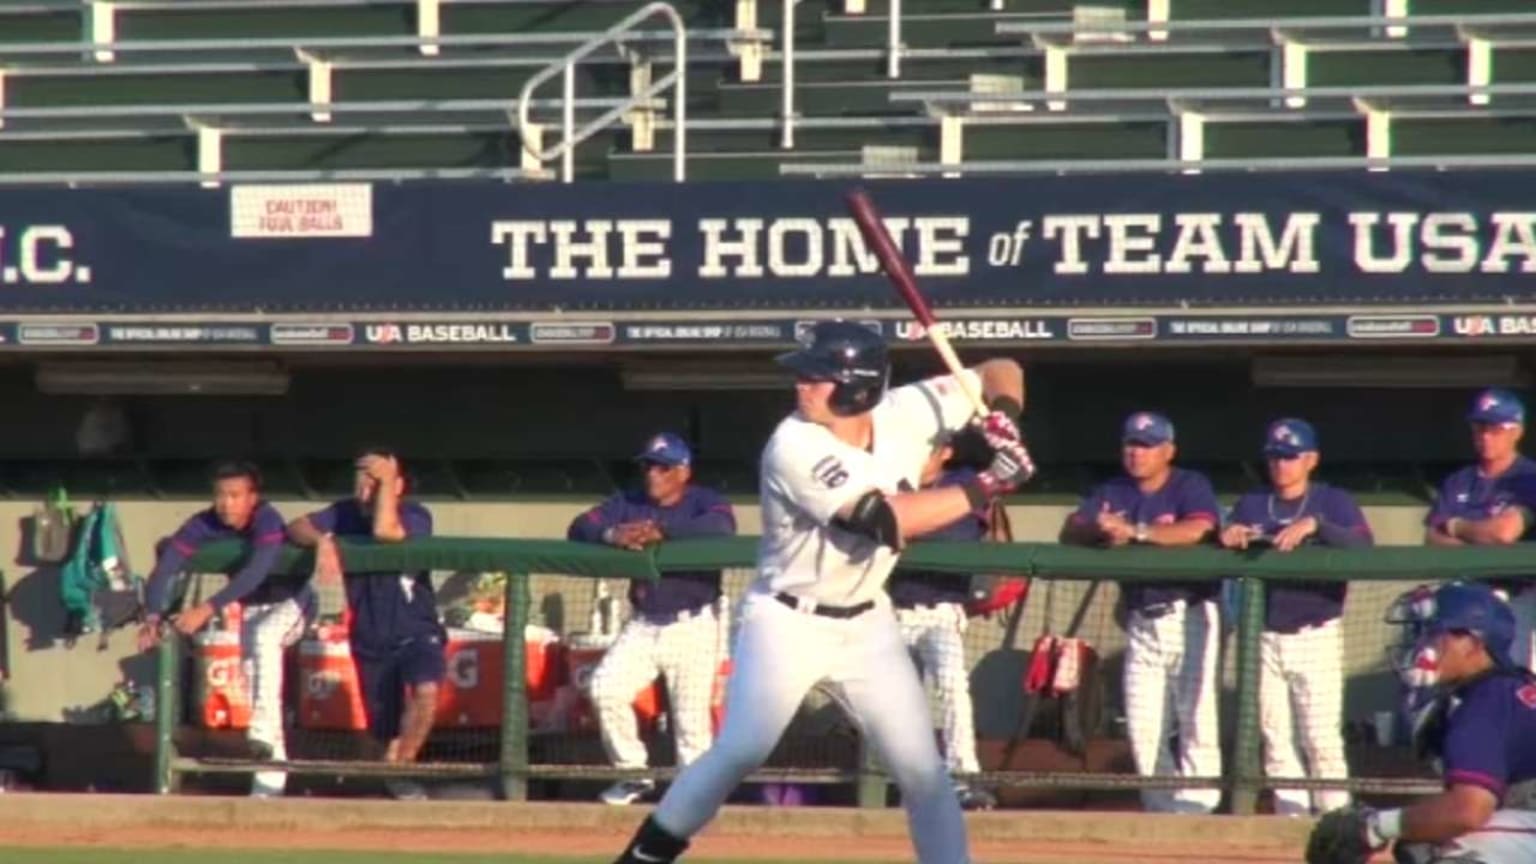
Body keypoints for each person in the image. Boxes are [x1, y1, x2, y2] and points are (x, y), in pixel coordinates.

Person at [611, 320, 1034, 864]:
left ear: (856, 387)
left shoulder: (906, 410)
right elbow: (887, 520)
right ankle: (645, 856)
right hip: (788, 618)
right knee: (741, 749)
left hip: (867, 622)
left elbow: (1002, 369)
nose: (801, 385)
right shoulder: (793, 444)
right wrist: (987, 484)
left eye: (816, 376)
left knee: (923, 772)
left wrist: (1004, 415)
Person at [1059, 411, 1221, 814]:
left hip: (1191, 614)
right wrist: (1098, 528)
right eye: (1131, 444)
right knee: (1144, 726)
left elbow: (1198, 530)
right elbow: (1069, 530)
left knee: (1196, 720)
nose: (1136, 452)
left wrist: (1138, 533)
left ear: (1168, 451)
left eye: (1146, 446)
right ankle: (1163, 811)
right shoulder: (1113, 490)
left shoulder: (1190, 484)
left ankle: (1199, 812)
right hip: (1141, 620)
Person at [1306, 582, 1536, 864]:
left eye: (1435, 633)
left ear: (1474, 644)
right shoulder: (1503, 691)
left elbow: (1468, 810)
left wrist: (1375, 827)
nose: (1423, 644)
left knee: (1451, 846)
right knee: (1421, 841)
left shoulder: (1484, 700)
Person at [568, 432, 737, 806]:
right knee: (605, 689)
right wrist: (613, 532)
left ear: (683, 471)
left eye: (662, 467)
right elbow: (579, 526)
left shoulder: (704, 501)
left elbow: (721, 529)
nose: (652, 474)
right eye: (648, 466)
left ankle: (695, 795)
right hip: (644, 622)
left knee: (691, 721)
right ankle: (633, 775)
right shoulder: (629, 500)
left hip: (694, 624)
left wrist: (663, 531)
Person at [1220, 419, 1372, 817]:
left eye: (1289, 457)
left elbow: (1363, 547)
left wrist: (1316, 526)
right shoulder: (1253, 502)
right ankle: (1291, 827)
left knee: (1320, 739)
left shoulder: (1332, 500)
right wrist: (1228, 533)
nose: (1280, 465)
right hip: (1263, 636)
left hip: (1314, 633)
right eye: (1274, 456)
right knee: (1276, 739)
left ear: (1310, 460)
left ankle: (1338, 826)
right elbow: (1224, 537)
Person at [139, 461, 311, 798]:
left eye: (235, 495)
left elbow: (257, 572)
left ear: (252, 497)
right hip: (251, 610)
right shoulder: (203, 523)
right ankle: (268, 787)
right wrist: (153, 616)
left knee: (265, 640)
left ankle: (259, 732)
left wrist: (207, 608)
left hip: (293, 602)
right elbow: (167, 566)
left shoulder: (267, 518)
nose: (226, 503)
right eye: (220, 495)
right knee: (258, 682)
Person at [287, 447, 443, 800]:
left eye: (376, 479)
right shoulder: (342, 513)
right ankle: (392, 771)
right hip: (369, 635)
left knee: (426, 693)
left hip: (416, 629)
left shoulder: (416, 514)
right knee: (382, 728)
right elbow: (295, 527)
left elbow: (386, 531)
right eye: (362, 478)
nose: (365, 486)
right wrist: (322, 541)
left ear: (397, 484)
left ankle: (402, 769)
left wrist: (386, 482)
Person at [888, 439, 995, 811]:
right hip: (895, 610)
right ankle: (910, 782)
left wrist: (907, 528)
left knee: (952, 688)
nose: (919, 456)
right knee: (897, 703)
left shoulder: (962, 484)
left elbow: (961, 533)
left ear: (946, 451)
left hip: (942, 609)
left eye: (929, 449)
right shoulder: (893, 480)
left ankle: (964, 775)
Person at [1424, 388, 1536, 669]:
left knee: (1513, 678)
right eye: (1480, 428)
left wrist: (1456, 525)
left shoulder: (1528, 477)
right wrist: (1477, 541)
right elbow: (1432, 539)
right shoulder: (1458, 481)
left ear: (1516, 431)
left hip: (1514, 598)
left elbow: (1504, 533)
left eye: (1495, 429)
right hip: (1464, 597)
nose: (1486, 436)